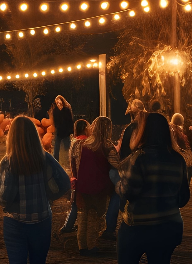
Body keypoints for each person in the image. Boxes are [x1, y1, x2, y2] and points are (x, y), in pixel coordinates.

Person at [114, 111, 189, 264]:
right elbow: (184, 197)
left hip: (139, 226)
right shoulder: (178, 160)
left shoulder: (138, 158)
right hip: (169, 227)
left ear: (142, 131)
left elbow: (127, 192)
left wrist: (118, 184)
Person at [0, 116, 71, 264]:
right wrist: (49, 195)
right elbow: (65, 182)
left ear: (13, 137)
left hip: (15, 224)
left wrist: (0, 192)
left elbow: (4, 197)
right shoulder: (45, 159)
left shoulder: (8, 163)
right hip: (41, 221)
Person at [74, 116, 119, 255]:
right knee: (94, 216)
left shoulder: (83, 144)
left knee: (83, 215)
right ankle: (91, 245)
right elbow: (116, 164)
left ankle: (81, 245)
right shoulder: (107, 146)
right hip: (98, 185)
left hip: (82, 184)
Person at [104, 98, 145, 241]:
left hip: (123, 166)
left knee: (118, 197)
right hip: (131, 168)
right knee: (129, 198)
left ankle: (111, 229)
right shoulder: (140, 129)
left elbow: (122, 149)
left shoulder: (129, 128)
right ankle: (130, 229)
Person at [60, 118, 90, 234]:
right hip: (83, 176)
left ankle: (68, 225)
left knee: (74, 203)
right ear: (84, 129)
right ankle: (72, 228)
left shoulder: (74, 141)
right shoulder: (85, 142)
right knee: (81, 204)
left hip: (75, 175)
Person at [51, 95, 74, 164]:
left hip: (66, 131)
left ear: (62, 101)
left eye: (59, 102)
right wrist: (56, 128)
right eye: (57, 102)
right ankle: (56, 162)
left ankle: (69, 161)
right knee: (56, 148)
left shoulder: (66, 110)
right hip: (59, 131)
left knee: (67, 147)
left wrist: (71, 131)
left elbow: (70, 121)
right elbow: (55, 121)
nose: (58, 104)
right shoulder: (55, 111)